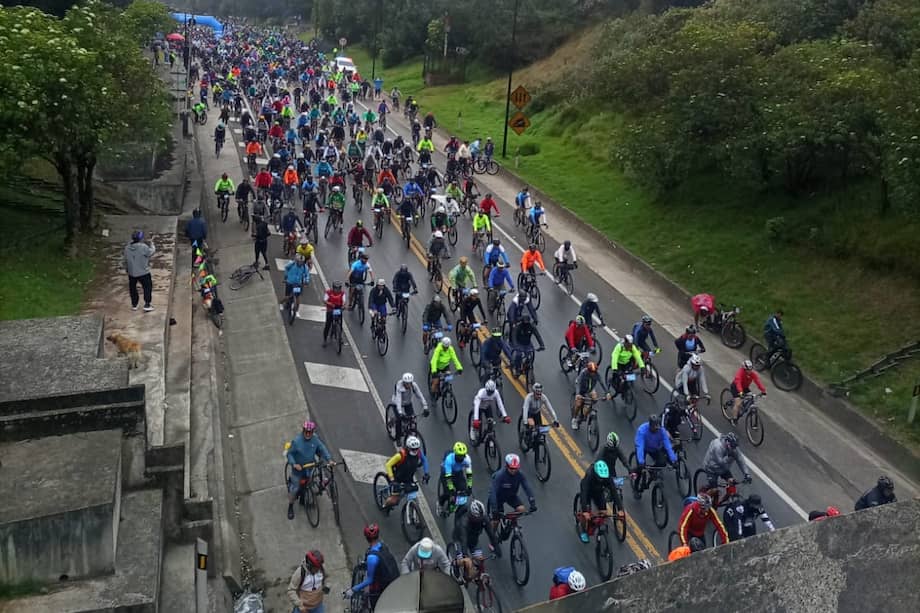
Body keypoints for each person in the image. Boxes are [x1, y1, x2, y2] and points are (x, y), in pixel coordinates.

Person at [344, 524, 399, 609]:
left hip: (382, 586)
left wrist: (353, 589)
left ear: (366, 538)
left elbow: (370, 580)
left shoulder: (371, 558)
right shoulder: (383, 546)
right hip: (393, 580)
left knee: (375, 604)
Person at [285, 420, 332, 519]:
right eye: (306, 431)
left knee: (313, 483)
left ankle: (303, 499)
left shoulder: (315, 439)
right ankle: (290, 506)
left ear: (312, 432)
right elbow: (290, 454)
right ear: (303, 431)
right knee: (295, 489)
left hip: (310, 467)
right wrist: (294, 464)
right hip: (298, 470)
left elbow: (322, 448)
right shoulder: (297, 441)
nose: (307, 434)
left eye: (310, 432)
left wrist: (329, 459)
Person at [451, 499, 501, 582]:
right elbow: (463, 539)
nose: (480, 520)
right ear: (472, 515)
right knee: (465, 561)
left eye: (481, 518)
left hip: (473, 540)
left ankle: (476, 576)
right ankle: (455, 564)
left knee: (480, 560)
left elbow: (491, 534)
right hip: (459, 539)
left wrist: (496, 547)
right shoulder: (464, 522)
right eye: (478, 518)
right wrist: (465, 556)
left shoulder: (483, 519)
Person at [632, 415, 678, 498]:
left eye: (658, 427)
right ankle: (635, 488)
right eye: (655, 427)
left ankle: (652, 470)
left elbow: (667, 445)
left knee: (662, 462)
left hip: (654, 449)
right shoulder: (642, 430)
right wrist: (641, 462)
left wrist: (673, 459)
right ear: (650, 425)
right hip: (644, 448)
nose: (657, 429)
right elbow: (640, 446)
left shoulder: (661, 431)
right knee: (640, 469)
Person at [488, 454, 537, 530]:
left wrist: (532, 502)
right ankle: (492, 539)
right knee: (496, 522)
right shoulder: (500, 475)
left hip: (511, 496)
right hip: (498, 498)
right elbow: (493, 492)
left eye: (516, 468)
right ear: (507, 466)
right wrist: (494, 509)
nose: (514, 470)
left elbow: (527, 488)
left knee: (521, 509)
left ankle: (511, 523)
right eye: (511, 468)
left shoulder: (520, 474)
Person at [382, 435, 430, 511]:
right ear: (408, 447)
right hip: (397, 479)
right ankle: (384, 506)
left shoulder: (418, 453)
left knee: (413, 496)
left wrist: (426, 473)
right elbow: (388, 465)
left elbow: (424, 461)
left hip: (408, 478)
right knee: (394, 501)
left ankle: (412, 510)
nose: (415, 451)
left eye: (417, 449)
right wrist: (392, 480)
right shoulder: (400, 455)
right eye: (413, 449)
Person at [578, 460, 612, 542]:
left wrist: (620, 509)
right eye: (600, 478)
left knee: (603, 512)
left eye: (603, 478)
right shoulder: (589, 475)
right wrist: (585, 511)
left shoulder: (606, 477)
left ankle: (598, 526)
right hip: (588, 491)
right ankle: (583, 531)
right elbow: (584, 493)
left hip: (598, 491)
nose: (602, 480)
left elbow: (614, 492)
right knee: (587, 515)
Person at [596, 433, 629, 515]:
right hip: (603, 471)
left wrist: (630, 469)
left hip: (611, 471)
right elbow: (598, 461)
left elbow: (624, 459)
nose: (614, 449)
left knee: (616, 488)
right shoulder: (603, 449)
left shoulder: (617, 449)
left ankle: (618, 506)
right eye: (612, 448)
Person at [571, 361, 610, 431]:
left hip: (590, 389)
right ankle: (574, 419)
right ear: (588, 371)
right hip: (581, 390)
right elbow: (578, 384)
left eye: (594, 372)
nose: (593, 374)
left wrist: (607, 393)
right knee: (579, 404)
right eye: (591, 372)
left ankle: (585, 413)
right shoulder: (583, 373)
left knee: (594, 400)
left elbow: (602, 382)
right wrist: (577, 394)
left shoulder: (596, 374)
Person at [391, 373, 430, 442]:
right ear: (403, 382)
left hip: (407, 403)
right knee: (399, 420)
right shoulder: (399, 386)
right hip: (397, 403)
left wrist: (425, 406)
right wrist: (400, 412)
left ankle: (411, 433)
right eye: (406, 383)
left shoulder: (414, 385)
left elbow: (420, 395)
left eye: (409, 383)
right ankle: (398, 438)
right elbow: (399, 399)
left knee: (412, 418)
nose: (408, 385)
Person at [123, 231, 155, 312]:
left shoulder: (127, 248)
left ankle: (134, 305)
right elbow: (151, 252)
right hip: (143, 272)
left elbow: (125, 260)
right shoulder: (143, 247)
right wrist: (152, 244)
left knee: (133, 288)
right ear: (140, 238)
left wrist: (127, 269)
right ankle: (147, 304)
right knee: (147, 287)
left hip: (131, 273)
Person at [470, 379, 510, 443]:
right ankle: (472, 429)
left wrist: (505, 416)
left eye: (492, 392)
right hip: (479, 406)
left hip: (487, 406)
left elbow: (500, 404)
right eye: (489, 392)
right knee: (478, 423)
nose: (490, 394)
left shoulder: (496, 393)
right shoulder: (481, 393)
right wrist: (476, 419)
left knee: (491, 422)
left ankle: (491, 438)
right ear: (486, 389)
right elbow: (476, 406)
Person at [729, 360, 767, 425]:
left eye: (750, 370)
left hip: (745, 388)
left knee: (751, 397)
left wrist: (763, 391)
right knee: (737, 404)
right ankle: (734, 419)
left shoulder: (752, 374)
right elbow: (738, 383)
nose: (749, 371)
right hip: (736, 387)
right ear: (744, 369)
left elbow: (757, 381)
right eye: (748, 370)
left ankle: (743, 407)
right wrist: (741, 393)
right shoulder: (740, 373)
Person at [439, 442, 473, 512]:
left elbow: (469, 475)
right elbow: (448, 477)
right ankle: (440, 504)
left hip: (458, 473)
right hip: (446, 473)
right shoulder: (449, 459)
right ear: (455, 454)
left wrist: (469, 487)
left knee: (463, 489)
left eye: (463, 455)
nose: (461, 458)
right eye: (459, 456)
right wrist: (451, 489)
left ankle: (455, 505)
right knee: (447, 492)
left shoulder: (467, 459)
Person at [321, 281, 346, 347]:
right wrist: (330, 304)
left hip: (338, 308)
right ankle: (325, 339)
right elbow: (325, 300)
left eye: (339, 288)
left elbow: (344, 301)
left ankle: (340, 337)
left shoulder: (342, 293)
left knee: (340, 324)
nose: (337, 290)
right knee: (328, 325)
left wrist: (343, 306)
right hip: (330, 309)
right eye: (336, 288)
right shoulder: (328, 292)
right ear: (333, 288)